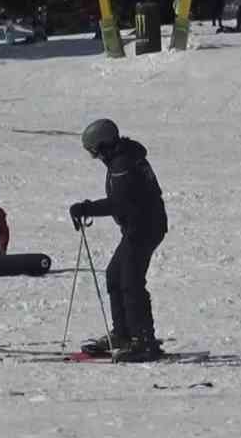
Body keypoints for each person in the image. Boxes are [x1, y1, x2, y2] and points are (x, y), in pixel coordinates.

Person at [69, 119, 169, 362]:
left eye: (93, 150)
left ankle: (144, 340)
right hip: (139, 226)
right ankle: (124, 333)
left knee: (130, 281)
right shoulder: (122, 158)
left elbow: (120, 202)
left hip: (144, 228)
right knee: (115, 275)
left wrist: (86, 208)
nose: (94, 156)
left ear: (103, 145)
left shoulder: (122, 163)